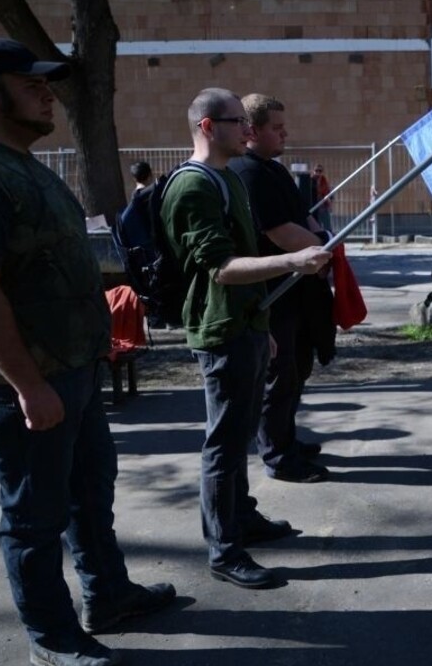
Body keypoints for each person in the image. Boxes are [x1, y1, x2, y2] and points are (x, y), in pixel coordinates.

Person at [0, 38, 174, 666]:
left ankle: (108, 595)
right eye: (30, 83)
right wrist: (29, 386)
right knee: (34, 517)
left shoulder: (23, 164)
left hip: (73, 367)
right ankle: (53, 639)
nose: (45, 92)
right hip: (16, 382)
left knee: (91, 492)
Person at [161, 87, 330, 590]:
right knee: (225, 443)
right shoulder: (193, 186)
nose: (248, 130)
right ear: (210, 127)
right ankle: (224, 549)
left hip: (248, 324)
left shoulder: (227, 178)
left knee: (236, 441)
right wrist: (293, 261)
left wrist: (262, 324)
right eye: (238, 122)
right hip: (221, 329)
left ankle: (244, 519)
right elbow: (220, 268)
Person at [229, 94, 330, 484]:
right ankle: (278, 455)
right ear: (252, 131)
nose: (285, 133)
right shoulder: (248, 172)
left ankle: (286, 438)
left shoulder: (273, 169)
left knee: (296, 370)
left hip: (296, 292)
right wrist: (322, 247)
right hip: (272, 293)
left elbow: (300, 214)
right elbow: (278, 230)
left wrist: (319, 236)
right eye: (276, 127)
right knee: (279, 377)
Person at [312, 163, 334, 232]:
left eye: (320, 171)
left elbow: (329, 194)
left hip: (323, 207)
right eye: (316, 171)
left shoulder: (324, 181)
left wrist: (330, 204)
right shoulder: (310, 181)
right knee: (315, 227)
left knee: (327, 226)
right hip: (314, 207)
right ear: (313, 171)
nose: (318, 173)